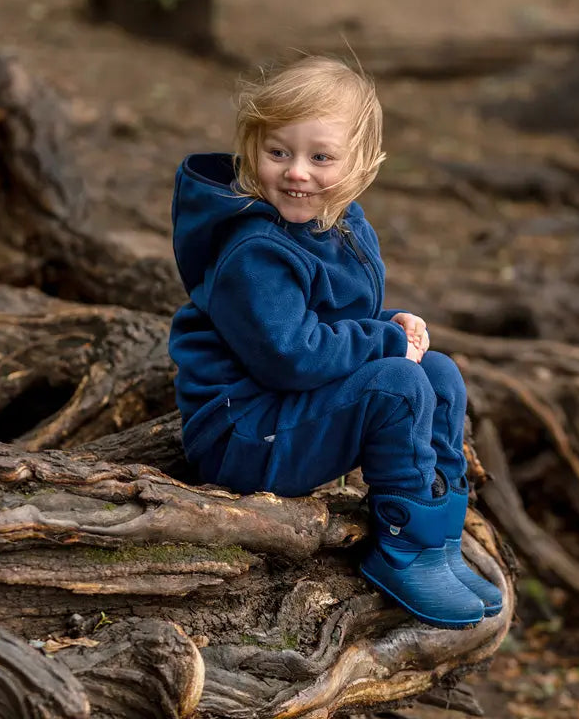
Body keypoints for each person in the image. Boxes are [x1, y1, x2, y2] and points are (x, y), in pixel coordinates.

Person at [169, 55, 502, 628]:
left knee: (439, 374)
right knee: (398, 384)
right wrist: (383, 347)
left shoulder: (338, 223)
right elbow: (291, 356)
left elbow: (338, 319)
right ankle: (401, 548)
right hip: (242, 434)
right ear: (252, 149)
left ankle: (437, 537)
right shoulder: (257, 252)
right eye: (279, 153)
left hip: (285, 412)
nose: (297, 172)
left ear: (362, 164)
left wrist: (392, 325)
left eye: (321, 157)